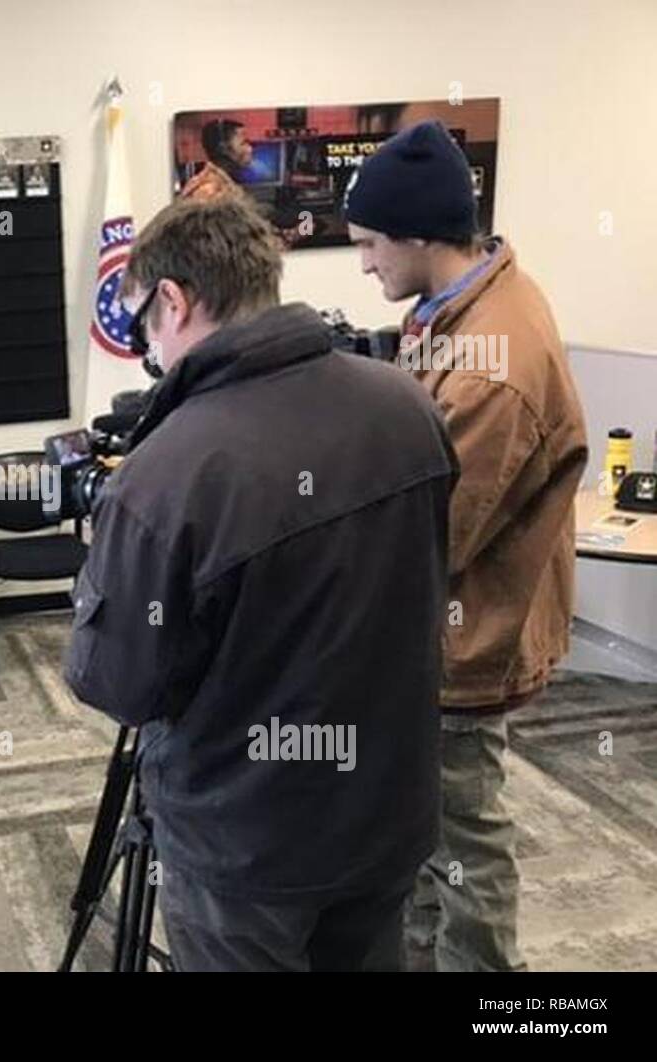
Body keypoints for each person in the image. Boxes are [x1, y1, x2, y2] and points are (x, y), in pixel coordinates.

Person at [65, 196, 457, 971]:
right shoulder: (408, 405)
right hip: (390, 810)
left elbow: (119, 685)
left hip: (246, 847)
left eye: (145, 325)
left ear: (173, 301)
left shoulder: (166, 474)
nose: (151, 348)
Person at [345, 119, 588, 971]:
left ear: (416, 234)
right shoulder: (460, 307)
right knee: (425, 828)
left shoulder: (494, 366)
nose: (366, 262)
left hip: (464, 635)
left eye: (372, 244)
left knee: (464, 836)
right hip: (444, 630)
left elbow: (432, 534)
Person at [179, 118, 252, 203]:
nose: (250, 149)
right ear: (223, 149)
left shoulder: (222, 183)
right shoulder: (208, 190)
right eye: (244, 143)